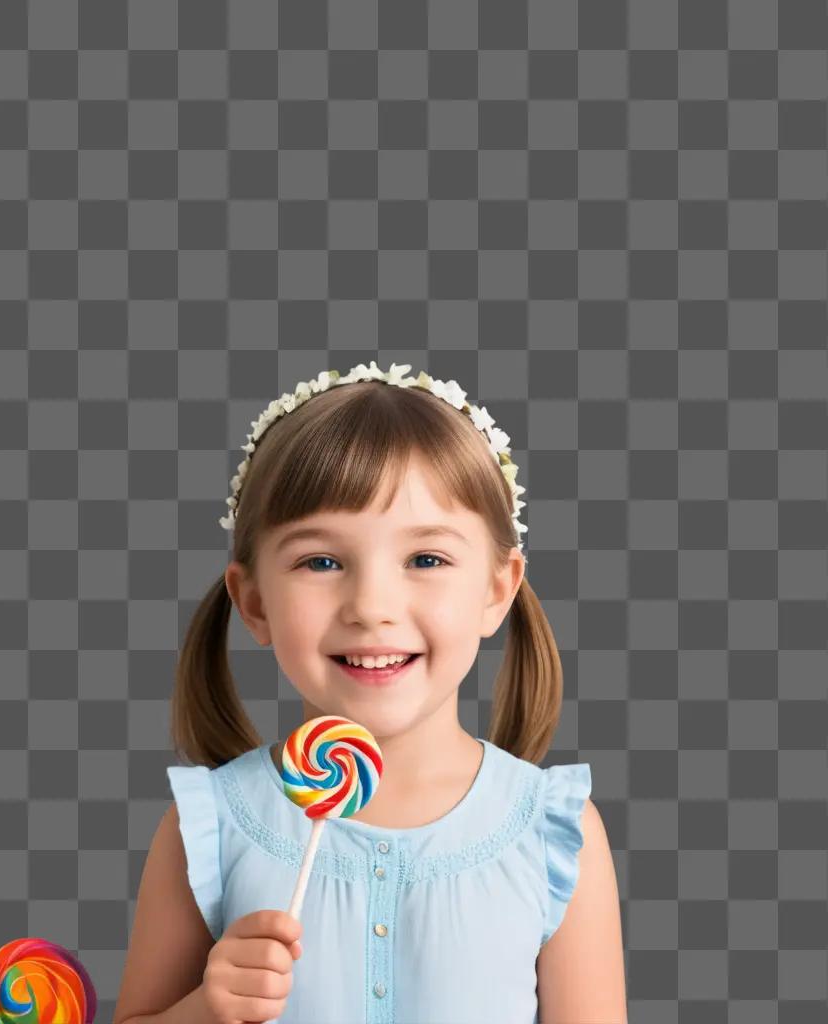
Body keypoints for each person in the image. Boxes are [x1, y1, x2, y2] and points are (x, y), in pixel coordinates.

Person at [112, 362, 627, 1024]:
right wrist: (204, 1011)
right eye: (321, 562)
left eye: (426, 559)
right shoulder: (205, 829)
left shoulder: (553, 834)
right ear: (255, 601)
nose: (372, 606)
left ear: (497, 590)